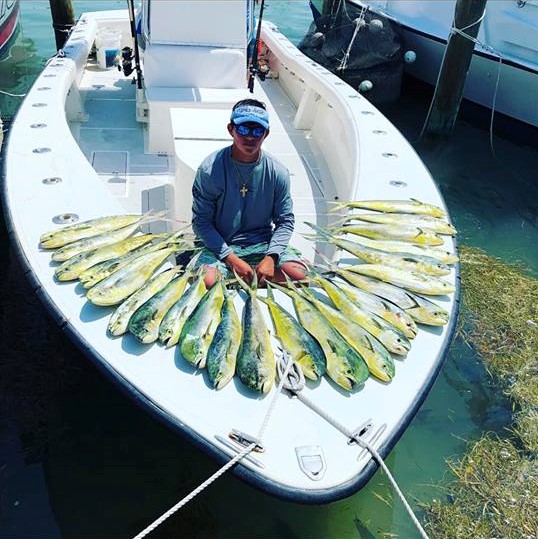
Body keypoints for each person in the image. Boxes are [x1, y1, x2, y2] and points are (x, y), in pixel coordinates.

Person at [191, 98, 306, 288]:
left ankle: (247, 275)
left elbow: (285, 221)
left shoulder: (278, 172)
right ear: (231, 129)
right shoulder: (209, 170)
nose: (250, 137)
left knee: (301, 276)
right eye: (243, 129)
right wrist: (231, 259)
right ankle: (251, 276)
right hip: (219, 244)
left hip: (262, 243)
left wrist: (271, 257)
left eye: (257, 130)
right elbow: (201, 223)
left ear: (266, 133)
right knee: (207, 281)